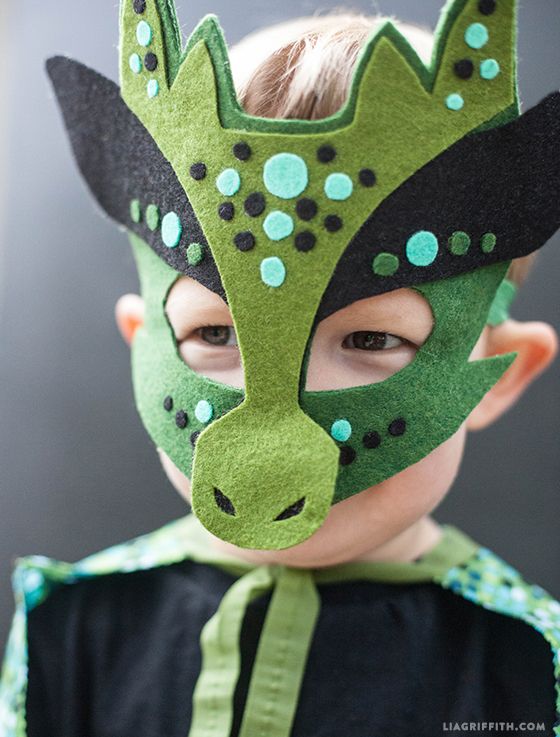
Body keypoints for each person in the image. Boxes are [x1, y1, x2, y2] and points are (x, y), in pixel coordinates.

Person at [1, 1, 560, 735]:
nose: (275, 432)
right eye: (214, 332)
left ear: (505, 372)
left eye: (367, 342)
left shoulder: (526, 667)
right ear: (143, 341)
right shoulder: (70, 630)